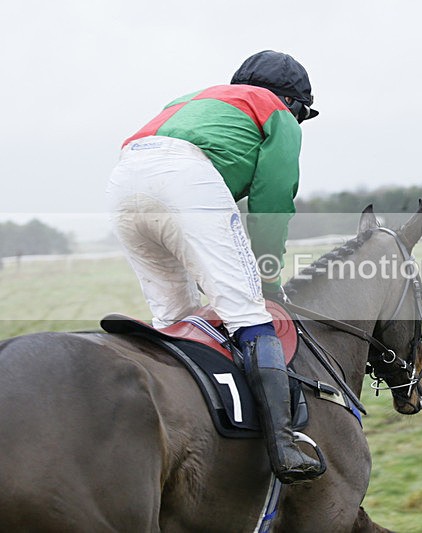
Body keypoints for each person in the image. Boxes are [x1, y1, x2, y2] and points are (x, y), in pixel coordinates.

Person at [106, 50, 324, 484]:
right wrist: (268, 277)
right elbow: (272, 202)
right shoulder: (277, 112)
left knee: (177, 320)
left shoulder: (194, 98)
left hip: (124, 182)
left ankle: (182, 428)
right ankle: (284, 446)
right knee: (248, 312)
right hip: (184, 180)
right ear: (296, 105)